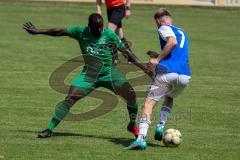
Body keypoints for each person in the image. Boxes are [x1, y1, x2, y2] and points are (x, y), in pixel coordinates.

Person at [23, 13, 153, 138]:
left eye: (102, 26)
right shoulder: (81, 31)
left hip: (109, 74)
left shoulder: (109, 34)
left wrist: (145, 69)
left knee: (131, 95)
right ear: (89, 27)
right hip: (89, 75)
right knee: (70, 98)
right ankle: (49, 129)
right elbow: (58, 32)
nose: (101, 29)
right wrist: (38, 31)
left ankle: (132, 125)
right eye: (97, 28)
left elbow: (127, 53)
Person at [126, 8, 191, 150]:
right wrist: (157, 54)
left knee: (148, 104)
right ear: (171, 19)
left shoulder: (163, 28)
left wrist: (157, 59)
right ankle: (161, 125)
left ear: (158, 21)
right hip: (185, 76)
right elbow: (176, 53)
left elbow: (172, 42)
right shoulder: (182, 32)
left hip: (167, 74)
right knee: (169, 96)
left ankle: (141, 139)